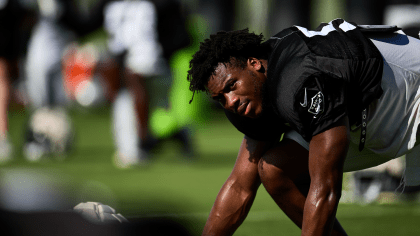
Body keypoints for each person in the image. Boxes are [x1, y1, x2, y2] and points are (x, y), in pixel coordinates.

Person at [187, 18, 420, 235]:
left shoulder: (299, 79)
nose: (230, 102)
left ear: (255, 64)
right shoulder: (252, 97)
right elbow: (239, 186)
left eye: (231, 86)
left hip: (411, 91)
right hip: (367, 112)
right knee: (274, 168)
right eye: (220, 98)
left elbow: (326, 187)